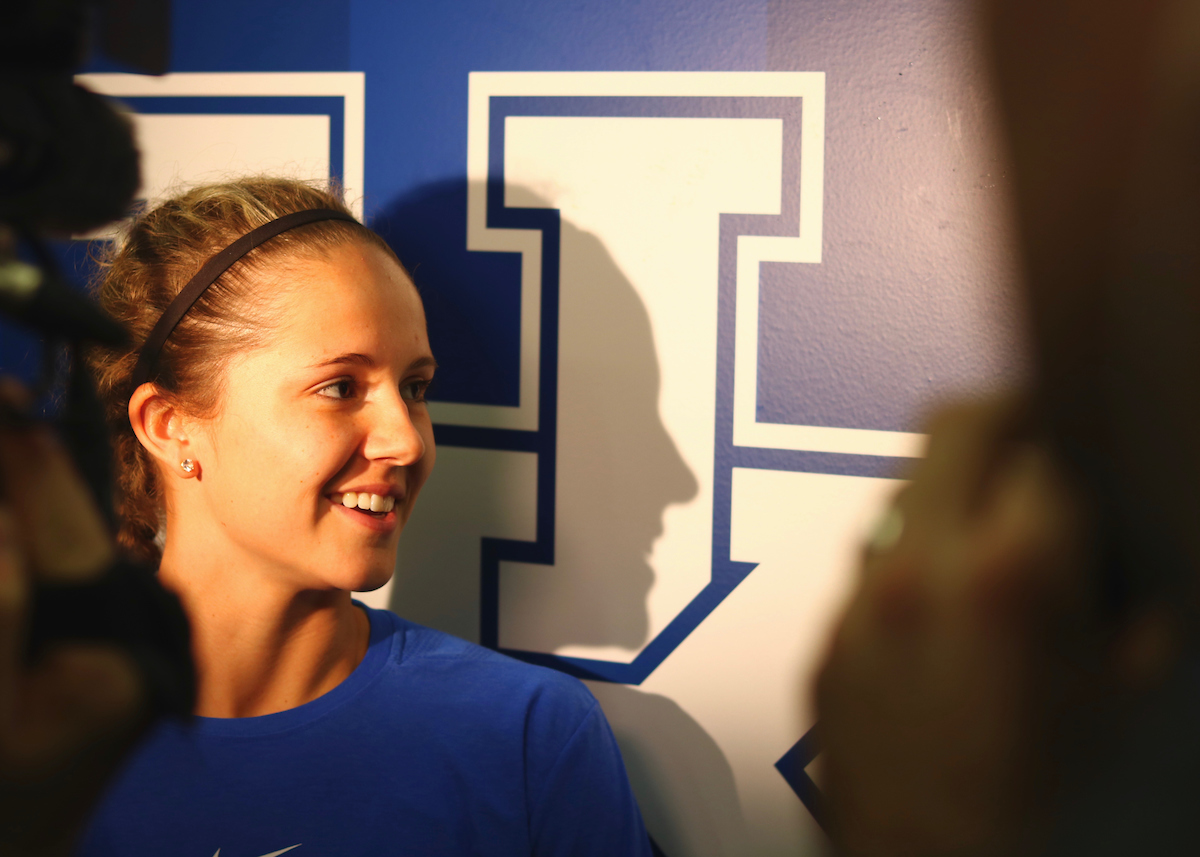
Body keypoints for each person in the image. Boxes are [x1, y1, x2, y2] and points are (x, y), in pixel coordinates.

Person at [74, 177, 652, 856]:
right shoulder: (34, 740)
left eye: (415, 388)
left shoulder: (528, 739)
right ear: (171, 426)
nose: (406, 440)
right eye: (340, 387)